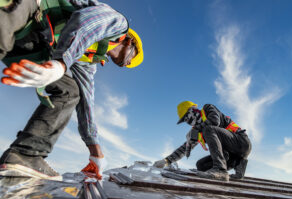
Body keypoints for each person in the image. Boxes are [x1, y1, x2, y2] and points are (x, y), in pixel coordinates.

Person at [0, 0, 144, 180]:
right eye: (132, 58)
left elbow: (86, 101)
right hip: (28, 7)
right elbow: (86, 22)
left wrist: (95, 150)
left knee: (69, 91)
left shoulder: (89, 59)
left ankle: (25, 155)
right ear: (129, 42)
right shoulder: (118, 24)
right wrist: (60, 64)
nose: (128, 64)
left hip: (31, 39)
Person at [154, 101, 251, 182]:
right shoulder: (198, 130)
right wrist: (167, 161)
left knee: (209, 129)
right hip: (231, 155)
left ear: (193, 111)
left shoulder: (208, 108)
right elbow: (185, 148)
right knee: (201, 166)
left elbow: (214, 121)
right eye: (185, 120)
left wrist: (196, 130)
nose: (188, 121)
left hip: (241, 142)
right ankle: (239, 163)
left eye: (187, 117)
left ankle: (220, 170)